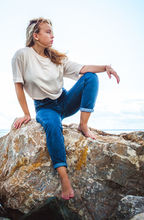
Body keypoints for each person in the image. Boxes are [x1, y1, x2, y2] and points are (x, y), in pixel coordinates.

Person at [11, 17, 120, 200]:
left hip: (65, 100)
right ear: (35, 35)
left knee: (91, 77)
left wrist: (105, 67)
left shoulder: (56, 58)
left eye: (52, 32)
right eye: (48, 32)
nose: (52, 36)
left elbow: (83, 68)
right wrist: (26, 114)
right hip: (45, 108)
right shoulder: (22, 55)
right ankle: (64, 178)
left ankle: (83, 125)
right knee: (53, 127)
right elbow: (18, 85)